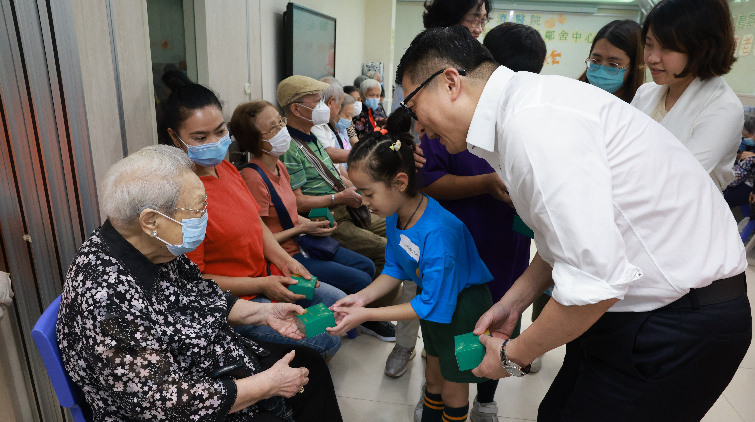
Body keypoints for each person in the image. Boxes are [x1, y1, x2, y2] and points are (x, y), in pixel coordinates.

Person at [397, 25, 750, 422]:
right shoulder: (527, 107)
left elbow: (596, 283)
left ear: (449, 82)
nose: (419, 128)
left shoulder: (533, 126)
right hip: (630, 309)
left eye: (412, 108)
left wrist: (511, 356)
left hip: (677, 321)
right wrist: (514, 303)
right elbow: (559, 240)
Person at [58, 145, 342, 421]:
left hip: (206, 361)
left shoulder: (151, 246)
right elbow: (165, 405)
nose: (206, 216)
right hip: (181, 403)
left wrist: (265, 313)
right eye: (198, 208)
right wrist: (268, 385)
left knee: (310, 366)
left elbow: (200, 294)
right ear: (151, 220)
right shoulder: (106, 297)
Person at [158, 71, 345, 359]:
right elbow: (195, 280)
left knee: (337, 306)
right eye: (200, 137)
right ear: (174, 137)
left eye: (220, 132)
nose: (214, 142)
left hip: (266, 277)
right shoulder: (181, 197)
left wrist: (286, 263)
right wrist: (262, 286)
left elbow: (256, 225)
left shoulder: (228, 170)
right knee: (324, 339)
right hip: (235, 302)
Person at [328, 116, 495, 422]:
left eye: (368, 193)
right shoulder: (396, 214)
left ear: (400, 182)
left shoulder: (438, 233)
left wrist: (366, 315)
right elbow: (394, 267)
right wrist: (362, 298)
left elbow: (430, 303)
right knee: (433, 377)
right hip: (434, 304)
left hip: (464, 311)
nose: (364, 203)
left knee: (454, 388)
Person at [277, 75, 398, 341]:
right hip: (326, 219)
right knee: (384, 250)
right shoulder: (289, 147)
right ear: (297, 109)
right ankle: (372, 316)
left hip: (346, 206)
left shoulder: (311, 138)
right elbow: (296, 201)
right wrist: (339, 198)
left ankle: (373, 308)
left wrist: (355, 189)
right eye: (317, 101)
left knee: (397, 229)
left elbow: (333, 175)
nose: (323, 106)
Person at [229, 99, 375, 298]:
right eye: (273, 128)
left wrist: (315, 224)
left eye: (280, 122)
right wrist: (303, 228)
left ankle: (360, 320)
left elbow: (289, 213)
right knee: (361, 279)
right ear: (254, 140)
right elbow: (259, 239)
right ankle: (356, 321)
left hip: (304, 242)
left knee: (367, 266)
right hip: (287, 255)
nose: (282, 129)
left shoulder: (279, 166)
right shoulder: (253, 177)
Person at [631, 0, 742, 191]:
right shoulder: (645, 93)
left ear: (702, 49)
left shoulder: (723, 108)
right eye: (649, 44)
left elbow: (678, 180)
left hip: (683, 214)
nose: (652, 58)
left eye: (667, 48)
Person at [576, 20, 645, 103]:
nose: (601, 71)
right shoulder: (573, 96)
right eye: (595, 60)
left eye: (613, 64)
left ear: (634, 67)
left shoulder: (642, 106)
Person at [310, 77, 349, 165]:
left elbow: (338, 168)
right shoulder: (314, 122)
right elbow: (329, 154)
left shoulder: (324, 122)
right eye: (340, 104)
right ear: (331, 102)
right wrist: (361, 155)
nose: (340, 108)